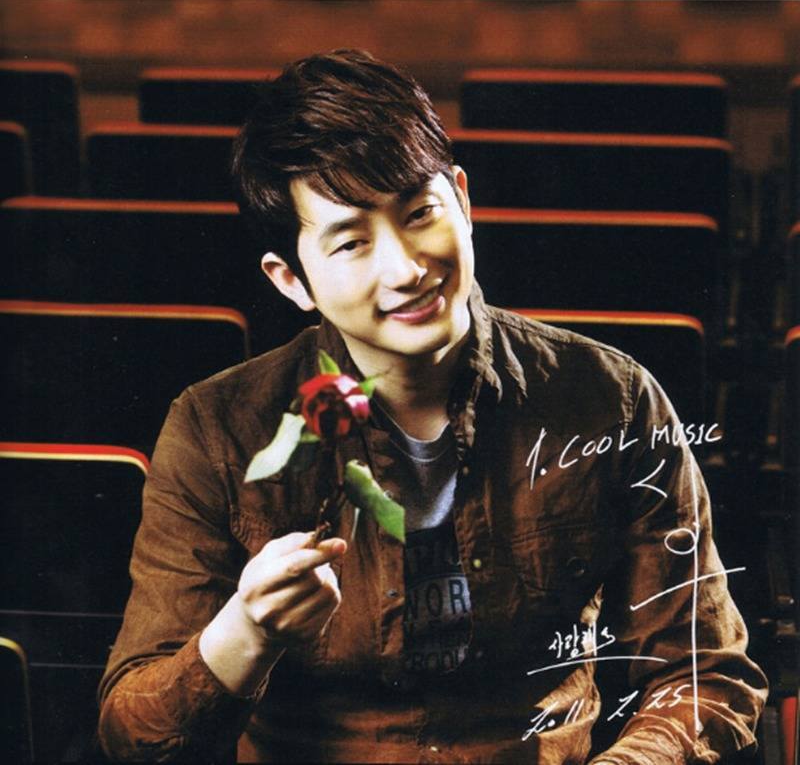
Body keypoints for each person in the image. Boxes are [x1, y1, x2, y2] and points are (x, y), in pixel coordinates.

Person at [98, 49, 767, 764]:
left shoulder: (613, 399)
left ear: (463, 202)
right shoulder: (217, 429)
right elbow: (131, 736)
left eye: (420, 212)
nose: (407, 268)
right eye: (352, 241)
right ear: (291, 280)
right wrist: (246, 633)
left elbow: (701, 676)